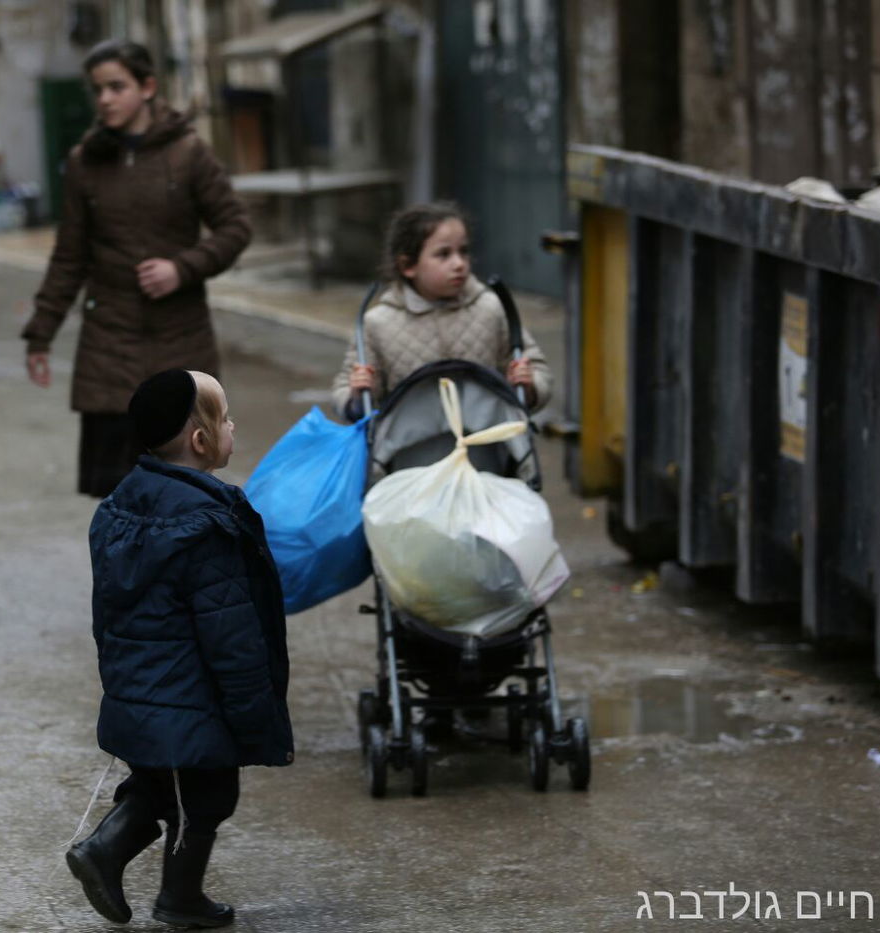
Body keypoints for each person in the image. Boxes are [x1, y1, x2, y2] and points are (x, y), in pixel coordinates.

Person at [68, 369, 292, 928]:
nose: (233, 427)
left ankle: (144, 873)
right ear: (200, 440)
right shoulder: (207, 525)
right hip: (196, 697)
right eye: (226, 418)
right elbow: (230, 631)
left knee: (160, 784)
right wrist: (252, 708)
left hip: (141, 688)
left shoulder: (120, 504)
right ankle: (138, 871)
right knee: (208, 796)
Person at [21, 38, 251, 499]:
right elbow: (69, 256)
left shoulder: (188, 152)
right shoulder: (84, 163)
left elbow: (235, 227)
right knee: (120, 496)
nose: (105, 99)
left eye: (116, 87)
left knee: (187, 492)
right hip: (109, 348)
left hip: (181, 342)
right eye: (97, 90)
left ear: (147, 87)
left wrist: (182, 268)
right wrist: (40, 333)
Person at [331, 201, 552, 421]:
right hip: (411, 441)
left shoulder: (491, 308)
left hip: (488, 438)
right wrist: (358, 393)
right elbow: (346, 394)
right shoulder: (378, 324)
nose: (459, 263)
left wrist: (528, 385)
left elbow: (536, 369)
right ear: (408, 266)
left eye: (463, 251)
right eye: (444, 254)